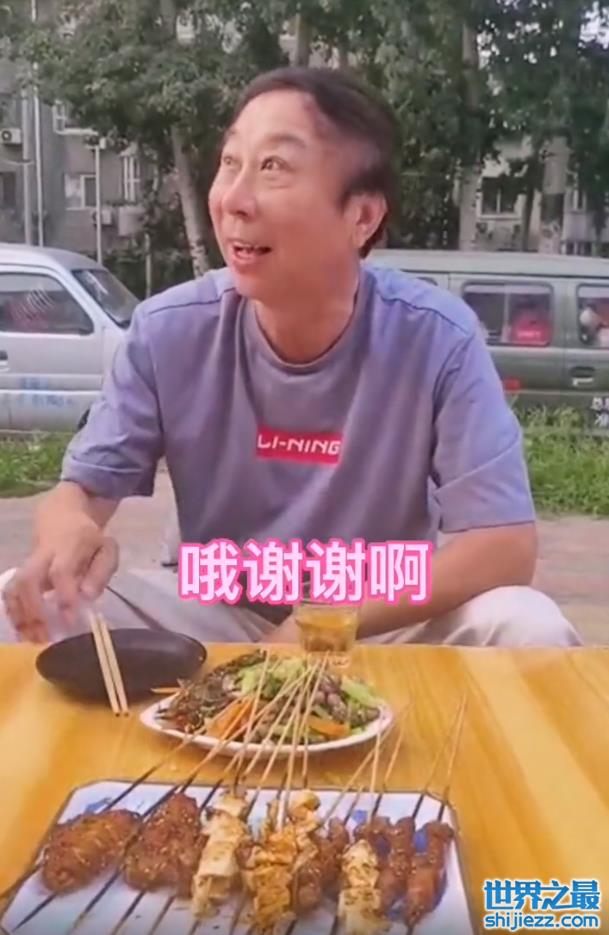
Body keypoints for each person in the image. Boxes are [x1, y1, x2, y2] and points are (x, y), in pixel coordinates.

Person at [0, 66, 580, 648]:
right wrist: (69, 530)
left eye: (273, 167)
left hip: (377, 620)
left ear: (362, 217)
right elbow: (82, 490)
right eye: (231, 162)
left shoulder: (437, 337)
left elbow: (504, 545)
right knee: (18, 604)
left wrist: (322, 623)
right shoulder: (168, 330)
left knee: (527, 625)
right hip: (217, 611)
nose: (233, 199)